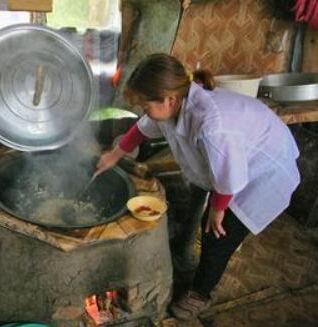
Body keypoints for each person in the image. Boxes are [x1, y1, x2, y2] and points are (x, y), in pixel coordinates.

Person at [95, 53, 300, 320]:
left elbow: (228, 177)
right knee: (200, 197)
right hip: (236, 159)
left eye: (146, 106)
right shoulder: (173, 104)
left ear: (169, 99)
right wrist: (114, 154)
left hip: (263, 168)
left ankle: (200, 294)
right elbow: (142, 129)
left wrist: (217, 210)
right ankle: (184, 247)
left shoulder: (212, 126)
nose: (145, 111)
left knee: (218, 235)